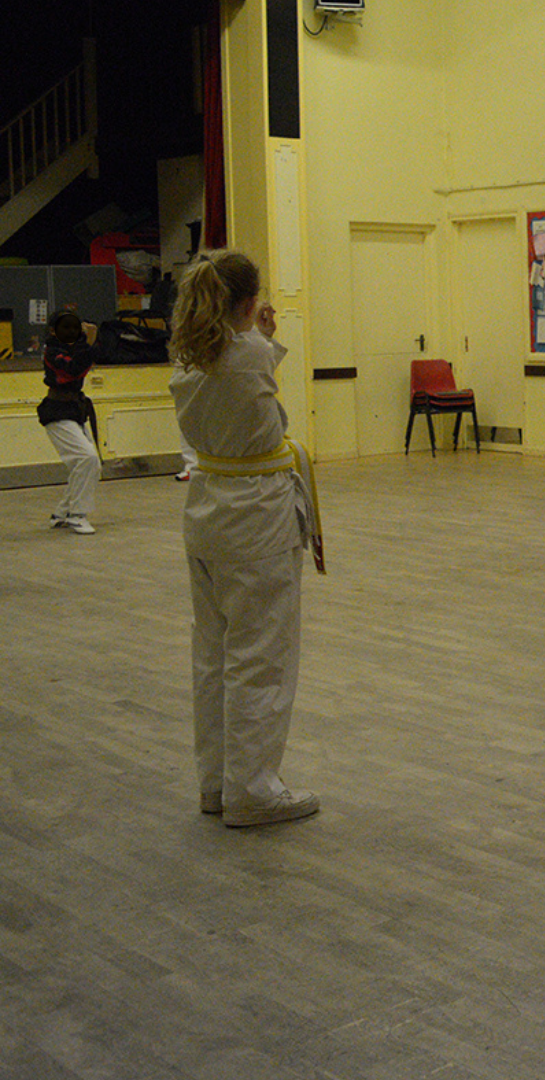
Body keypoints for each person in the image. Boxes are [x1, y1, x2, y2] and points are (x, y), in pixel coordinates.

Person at [169, 249, 323, 827]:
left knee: (212, 656)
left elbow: (244, 370)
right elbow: (257, 379)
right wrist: (262, 336)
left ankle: (217, 783)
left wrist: (257, 335)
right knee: (261, 659)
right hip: (255, 517)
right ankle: (253, 790)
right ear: (250, 302)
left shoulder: (190, 357)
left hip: (207, 511)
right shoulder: (250, 353)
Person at [39, 311, 103, 535]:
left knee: (89, 464)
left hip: (75, 410)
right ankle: (77, 515)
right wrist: (89, 342)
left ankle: (62, 513)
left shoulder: (76, 347)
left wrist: (89, 341)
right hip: (56, 411)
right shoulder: (52, 351)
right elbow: (74, 370)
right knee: (87, 458)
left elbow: (87, 359)